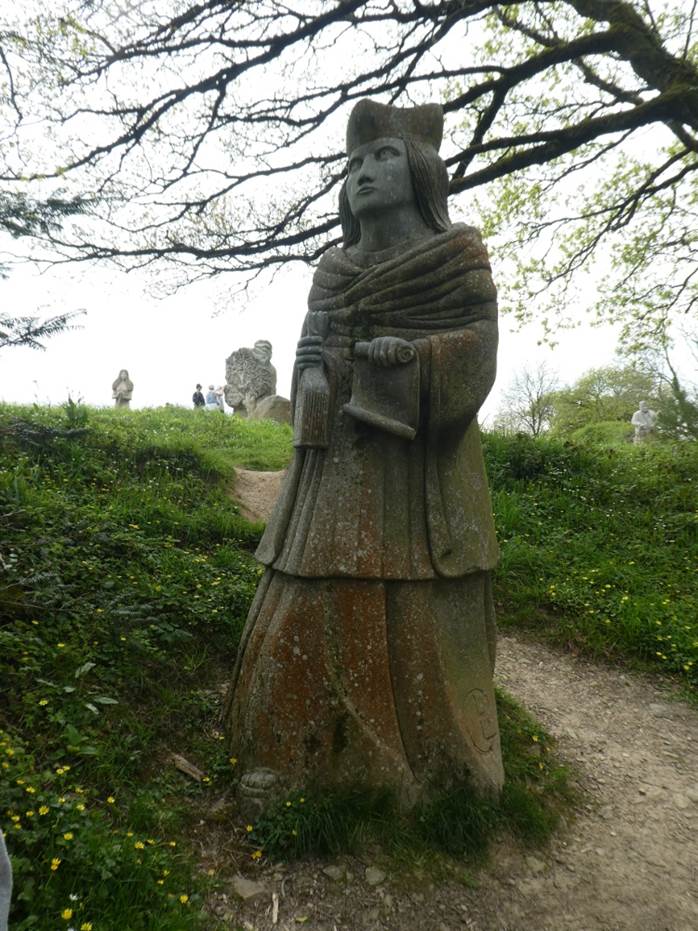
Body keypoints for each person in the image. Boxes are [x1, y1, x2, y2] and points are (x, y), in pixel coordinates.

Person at [224, 99, 503, 804]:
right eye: (353, 164)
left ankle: (441, 772)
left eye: (383, 157)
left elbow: (479, 352)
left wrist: (408, 358)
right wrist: (313, 369)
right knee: (312, 590)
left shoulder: (457, 255)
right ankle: (299, 750)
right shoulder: (332, 269)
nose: (363, 173)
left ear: (421, 171)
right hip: (336, 472)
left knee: (423, 614)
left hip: (421, 477)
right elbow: (311, 356)